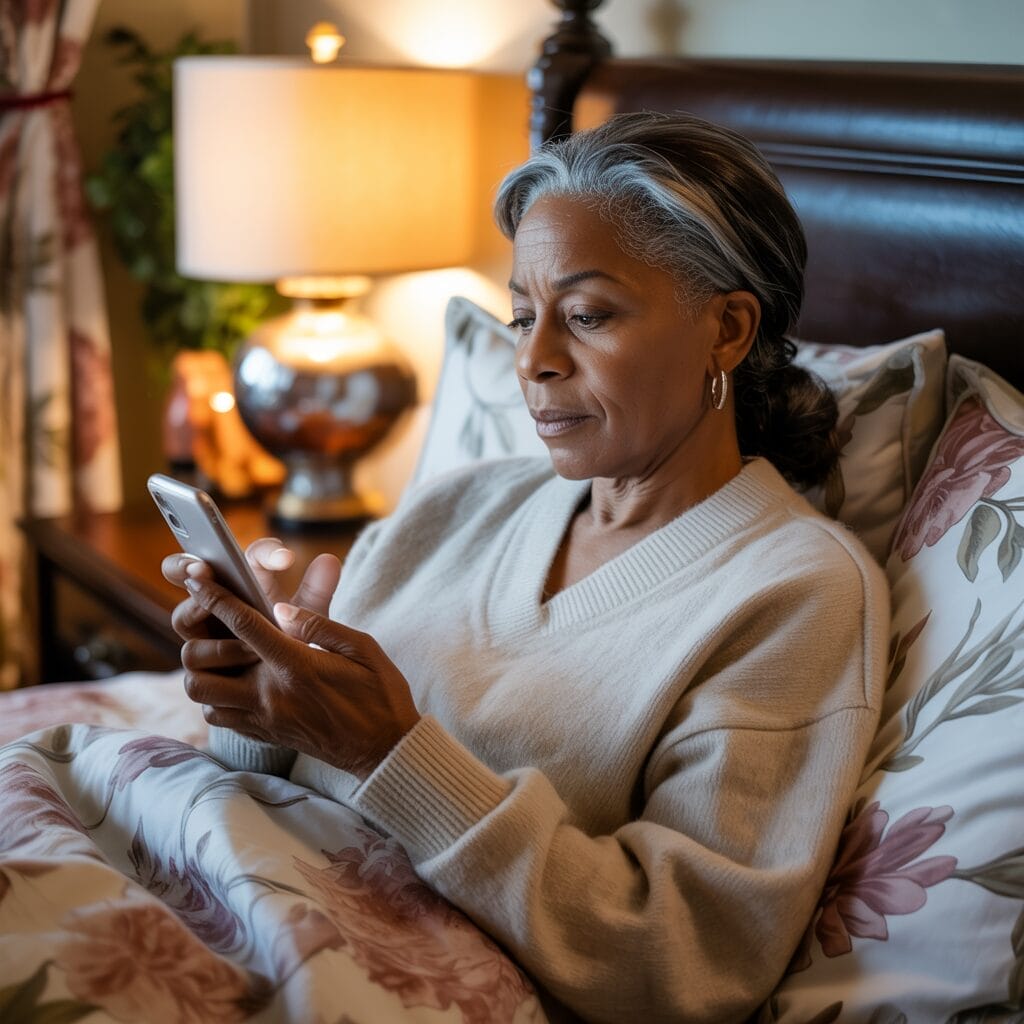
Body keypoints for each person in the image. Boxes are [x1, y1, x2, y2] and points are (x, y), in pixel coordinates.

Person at [165, 111, 889, 1023]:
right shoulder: (454, 506)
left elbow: (686, 959)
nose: (533, 359)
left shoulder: (793, 594)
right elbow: (265, 784)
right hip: (213, 890)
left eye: (586, 316)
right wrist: (250, 701)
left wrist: (392, 752)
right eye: (521, 315)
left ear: (728, 329)